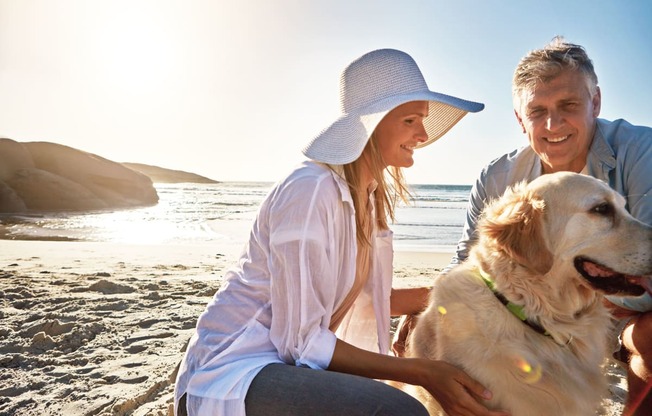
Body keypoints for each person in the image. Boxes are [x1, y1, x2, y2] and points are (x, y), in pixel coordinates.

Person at [173, 48, 510, 416]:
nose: (424, 134)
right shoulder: (311, 188)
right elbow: (300, 342)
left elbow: (370, 302)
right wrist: (423, 372)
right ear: (372, 123)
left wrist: (468, 298)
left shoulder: (367, 199)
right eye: (411, 120)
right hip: (233, 371)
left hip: (281, 366)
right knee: (399, 411)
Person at [395, 37, 652, 415]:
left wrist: (564, 296)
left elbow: (644, 262)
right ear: (520, 118)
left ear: (594, 102)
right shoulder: (498, 178)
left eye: (568, 105)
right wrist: (431, 308)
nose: (553, 124)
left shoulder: (641, 152)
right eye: (537, 111)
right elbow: (467, 261)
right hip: (530, 314)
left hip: (611, 313)